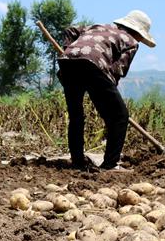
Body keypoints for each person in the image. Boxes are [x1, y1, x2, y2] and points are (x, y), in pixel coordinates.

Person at [57, 10, 155, 171]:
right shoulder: (131, 42)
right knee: (119, 116)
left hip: (67, 62)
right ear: (137, 32)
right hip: (93, 65)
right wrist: (109, 95)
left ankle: (77, 161)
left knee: (76, 115)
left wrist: (68, 49)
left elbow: (71, 30)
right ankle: (109, 165)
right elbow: (119, 69)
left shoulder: (98, 26)